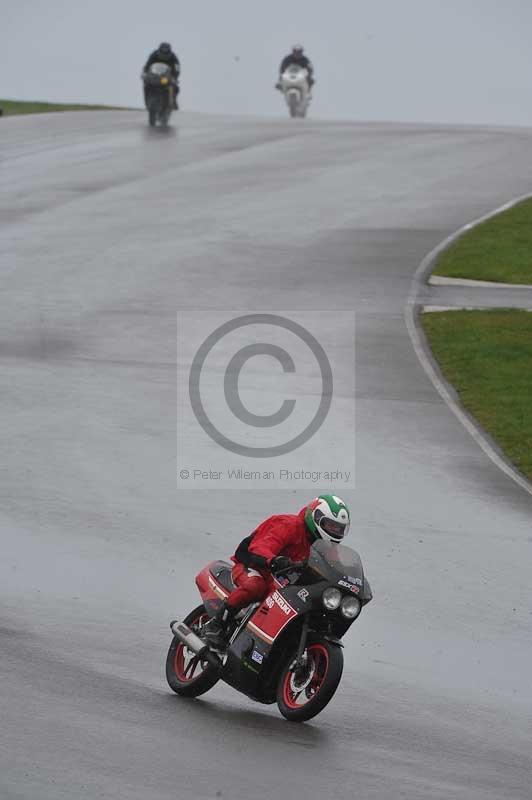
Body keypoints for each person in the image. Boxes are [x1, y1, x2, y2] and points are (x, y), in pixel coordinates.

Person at [203, 495, 350, 650]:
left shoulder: (327, 548)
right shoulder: (289, 525)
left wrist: (351, 582)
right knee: (256, 586)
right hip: (253, 567)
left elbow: (335, 567)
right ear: (316, 518)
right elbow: (260, 547)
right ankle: (216, 624)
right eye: (330, 525)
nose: (334, 531)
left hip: (282, 583)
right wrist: (274, 560)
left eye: (338, 528)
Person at [143, 42, 181, 109]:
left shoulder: (173, 57)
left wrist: (175, 76)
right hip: (155, 75)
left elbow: (177, 67)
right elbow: (148, 64)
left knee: (174, 87)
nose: (164, 51)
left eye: (166, 50)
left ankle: (173, 101)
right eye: (163, 49)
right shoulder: (154, 54)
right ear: (160, 49)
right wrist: (145, 72)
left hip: (167, 76)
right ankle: (148, 100)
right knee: (146, 84)